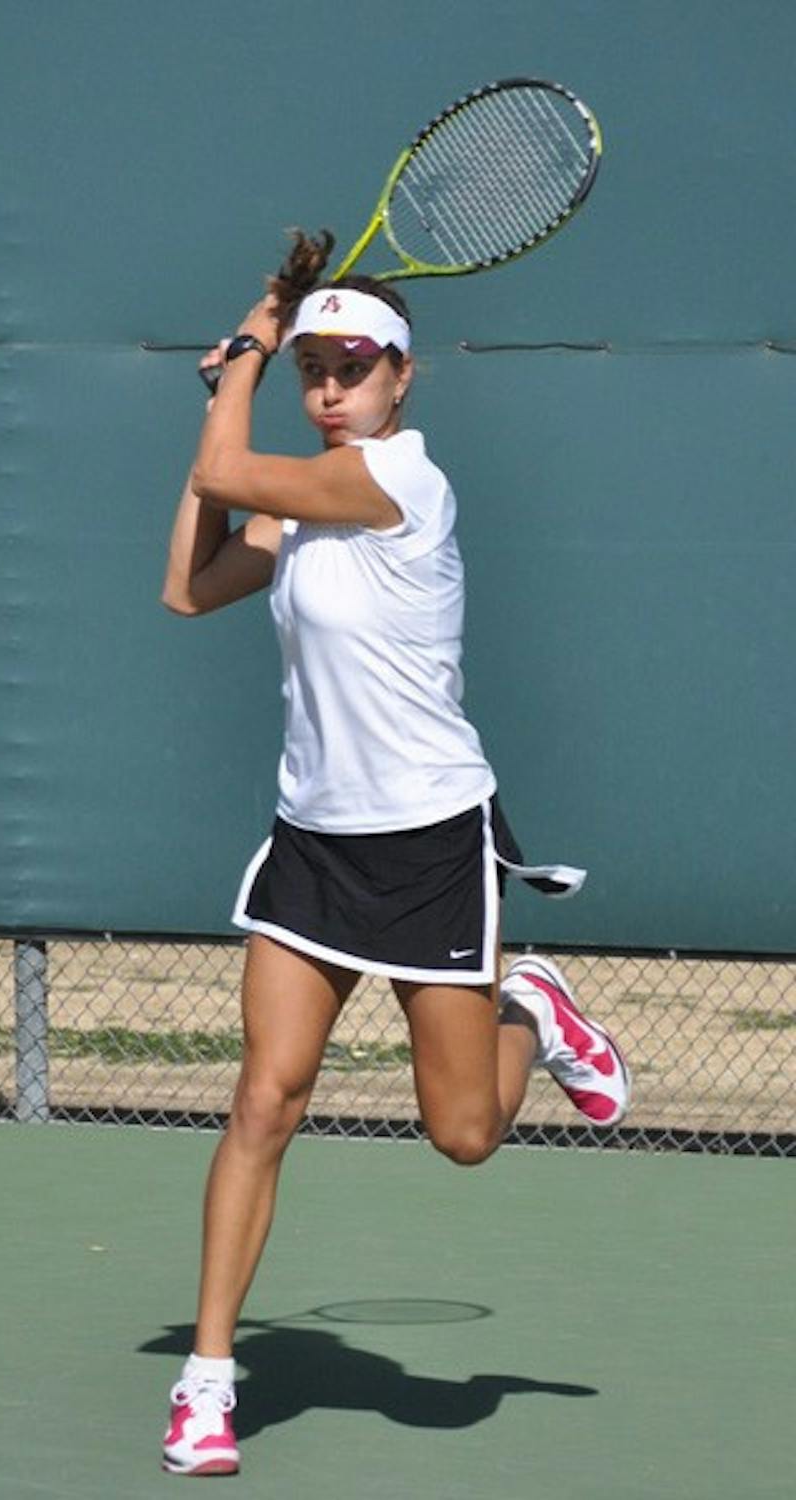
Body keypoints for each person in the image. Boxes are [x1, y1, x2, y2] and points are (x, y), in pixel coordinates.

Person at [159, 232, 630, 1477]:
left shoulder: (402, 484)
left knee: (465, 1134)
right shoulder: (299, 511)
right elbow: (189, 587)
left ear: (401, 377)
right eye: (314, 365)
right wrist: (231, 399)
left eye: (351, 365)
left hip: (427, 846)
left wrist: (242, 362)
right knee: (264, 1099)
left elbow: (227, 460)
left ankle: (528, 1006)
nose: (328, 386)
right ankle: (208, 1385)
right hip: (312, 845)